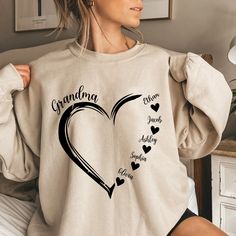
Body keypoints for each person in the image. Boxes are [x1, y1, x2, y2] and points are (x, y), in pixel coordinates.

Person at [0, 0, 232, 235]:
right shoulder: (45, 74)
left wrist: (197, 72)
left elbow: (193, 144)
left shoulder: (160, 64)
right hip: (77, 226)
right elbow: (21, 165)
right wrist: (1, 90)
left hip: (166, 217)